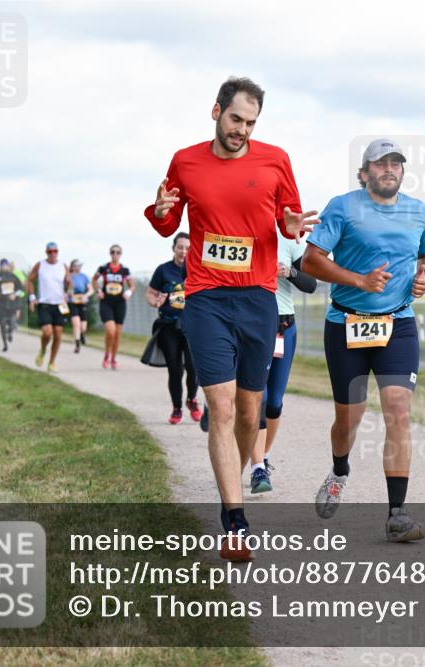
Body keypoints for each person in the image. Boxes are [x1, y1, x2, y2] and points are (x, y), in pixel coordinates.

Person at [144, 76, 315, 559]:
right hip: (207, 299)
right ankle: (234, 520)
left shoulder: (275, 159)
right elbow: (165, 221)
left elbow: (289, 217)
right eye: (236, 118)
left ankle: (232, 487)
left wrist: (292, 225)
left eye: (251, 122)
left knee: (248, 411)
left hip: (258, 299)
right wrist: (159, 211)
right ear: (216, 111)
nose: (242, 130)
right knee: (219, 408)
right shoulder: (186, 160)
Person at [302, 137, 425, 543]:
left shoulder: (418, 211)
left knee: (398, 409)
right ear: (364, 173)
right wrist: (359, 280)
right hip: (346, 323)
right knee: (349, 417)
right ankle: (340, 469)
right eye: (380, 164)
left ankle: (398, 513)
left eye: (396, 163)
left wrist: (424, 277)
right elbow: (311, 260)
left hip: (397, 322)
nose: (389, 169)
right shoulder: (342, 207)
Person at [248, 223, 317, 494]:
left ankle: (261, 457)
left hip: (284, 325)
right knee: (259, 398)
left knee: (274, 402)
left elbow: (310, 284)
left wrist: (288, 271)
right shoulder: (243, 232)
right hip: (253, 323)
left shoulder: (289, 239)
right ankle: (257, 468)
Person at [147, 232, 204, 425]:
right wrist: (155, 302)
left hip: (192, 325)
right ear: (173, 248)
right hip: (169, 325)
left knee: (193, 366)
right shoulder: (163, 270)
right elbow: (151, 293)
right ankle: (177, 408)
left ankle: (192, 400)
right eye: (180, 247)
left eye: (188, 248)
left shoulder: (197, 270)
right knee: (175, 370)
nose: (183, 251)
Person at [27, 242, 71, 372]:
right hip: (45, 304)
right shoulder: (40, 265)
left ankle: (52, 363)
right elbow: (29, 280)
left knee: (58, 334)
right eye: (50, 251)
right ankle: (42, 350)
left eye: (55, 251)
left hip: (60, 305)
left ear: (58, 252)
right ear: (46, 252)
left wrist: (68, 293)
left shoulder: (63, 266)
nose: (52, 254)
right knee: (47, 332)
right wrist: (32, 298)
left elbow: (69, 283)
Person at [93, 244, 133, 370]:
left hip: (120, 303)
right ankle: (106, 354)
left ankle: (113, 359)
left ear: (121, 254)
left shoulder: (125, 270)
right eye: (113, 252)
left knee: (117, 334)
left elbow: (132, 285)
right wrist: (98, 290)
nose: (115, 254)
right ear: (110, 253)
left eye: (118, 252)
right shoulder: (103, 268)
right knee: (111, 330)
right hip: (106, 302)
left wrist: (129, 292)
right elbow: (94, 280)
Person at [0, 258, 24, 353]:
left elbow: (20, 289)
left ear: (8, 266)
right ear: (0, 267)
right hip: (1, 304)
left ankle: (10, 332)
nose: (4, 267)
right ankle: (5, 344)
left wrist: (15, 294)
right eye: (2, 265)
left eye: (6, 265)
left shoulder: (13, 277)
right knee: (3, 325)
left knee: (12, 321)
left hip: (12, 304)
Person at [67, 259, 93, 353]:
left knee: (83, 327)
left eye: (79, 266)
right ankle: (77, 344)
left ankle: (82, 334)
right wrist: (69, 294)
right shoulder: (69, 277)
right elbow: (65, 290)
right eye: (76, 266)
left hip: (82, 302)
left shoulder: (84, 277)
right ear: (72, 267)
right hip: (72, 302)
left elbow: (90, 290)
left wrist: (86, 296)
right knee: (76, 324)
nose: (78, 267)